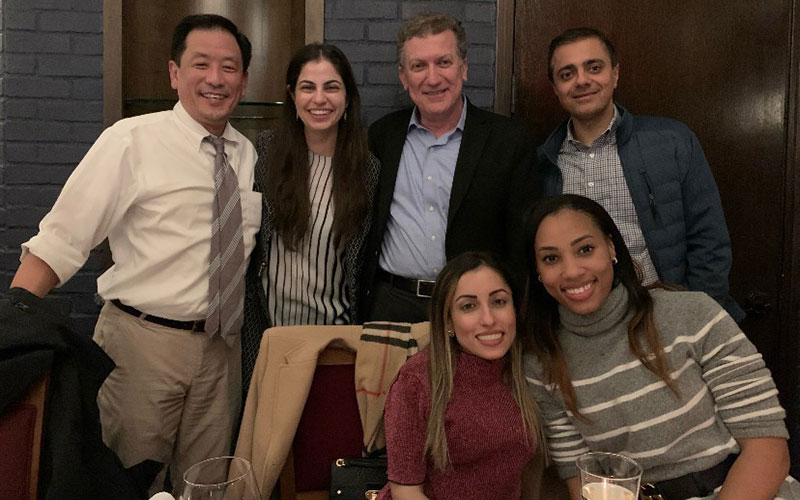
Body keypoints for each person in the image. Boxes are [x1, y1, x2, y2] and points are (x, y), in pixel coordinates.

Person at [9, 14, 260, 493]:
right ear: (173, 73)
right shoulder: (131, 140)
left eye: (228, 67)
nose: (215, 78)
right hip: (142, 347)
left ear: (243, 80)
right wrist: (14, 330)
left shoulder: (246, 154)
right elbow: (62, 237)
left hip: (221, 352)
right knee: (124, 481)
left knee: (206, 485)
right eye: (200, 64)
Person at [522, 194, 798, 500]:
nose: (572, 271)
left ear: (611, 248)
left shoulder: (692, 314)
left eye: (585, 249)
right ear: (537, 272)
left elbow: (767, 449)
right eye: (551, 258)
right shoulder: (541, 362)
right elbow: (581, 479)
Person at [538, 27, 744, 322]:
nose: (582, 81)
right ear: (556, 88)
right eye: (567, 74)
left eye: (593, 68)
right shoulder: (544, 164)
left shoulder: (672, 141)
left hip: (665, 317)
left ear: (615, 74)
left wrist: (695, 318)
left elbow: (709, 240)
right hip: (585, 326)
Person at [362, 12, 537, 323]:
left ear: (464, 68)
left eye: (443, 62)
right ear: (404, 77)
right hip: (392, 304)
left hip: (474, 309)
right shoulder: (381, 136)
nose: (432, 78)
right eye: (419, 66)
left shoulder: (509, 141)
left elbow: (521, 243)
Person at [241, 43, 379, 391]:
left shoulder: (368, 171)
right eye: (308, 87)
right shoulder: (264, 153)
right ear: (292, 96)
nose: (320, 99)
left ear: (348, 98)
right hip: (268, 334)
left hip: (335, 340)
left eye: (331, 87)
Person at [377, 251, 541, 500]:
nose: (488, 319)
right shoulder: (417, 382)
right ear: (448, 322)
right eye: (469, 306)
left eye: (498, 301)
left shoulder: (524, 370)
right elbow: (405, 492)